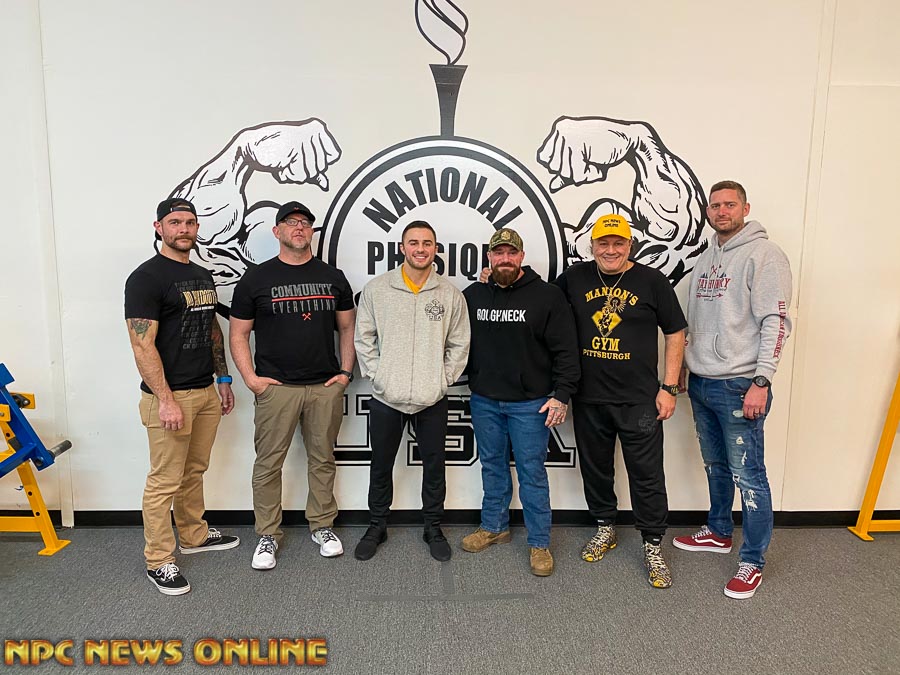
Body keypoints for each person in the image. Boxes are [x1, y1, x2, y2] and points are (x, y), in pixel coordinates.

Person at [673, 180, 792, 600]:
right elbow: (695, 320)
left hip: (741, 384)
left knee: (749, 476)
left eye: (729, 204)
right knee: (716, 465)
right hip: (703, 381)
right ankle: (719, 530)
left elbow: (777, 322)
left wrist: (762, 380)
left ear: (745, 208)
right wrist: (685, 365)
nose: (722, 211)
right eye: (715, 205)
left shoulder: (765, 255)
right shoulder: (707, 257)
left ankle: (752, 561)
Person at [555, 213, 686, 589]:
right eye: (603, 243)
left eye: (618, 243)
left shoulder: (651, 281)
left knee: (647, 474)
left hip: (639, 401)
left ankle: (653, 544)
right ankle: (605, 527)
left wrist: (669, 387)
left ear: (630, 245)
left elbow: (676, 332)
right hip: (590, 398)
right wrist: (494, 280)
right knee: (596, 469)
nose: (610, 250)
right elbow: (541, 305)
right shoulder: (573, 279)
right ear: (592, 245)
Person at [229, 201, 356, 570]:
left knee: (323, 459)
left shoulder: (333, 277)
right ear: (277, 231)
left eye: (305, 223)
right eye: (290, 222)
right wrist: (251, 380)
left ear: (311, 232)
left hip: (324, 386)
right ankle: (268, 534)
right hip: (276, 388)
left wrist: (345, 374)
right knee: (269, 464)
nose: (299, 227)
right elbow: (238, 334)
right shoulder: (256, 279)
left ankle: (322, 526)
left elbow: (347, 327)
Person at [125, 197, 239, 596]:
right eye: (175, 222)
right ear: (159, 227)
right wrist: (166, 399)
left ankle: (193, 534)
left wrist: (223, 378)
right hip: (169, 398)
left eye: (190, 222)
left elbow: (211, 329)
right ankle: (159, 560)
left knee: (194, 470)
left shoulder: (202, 275)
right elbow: (142, 345)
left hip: (205, 390)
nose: (184, 229)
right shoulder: (146, 278)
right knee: (164, 481)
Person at [461, 228, 579, 576]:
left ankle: (539, 542)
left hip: (531, 404)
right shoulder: (474, 295)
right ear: (489, 257)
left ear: (522, 257)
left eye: (512, 253)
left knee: (532, 473)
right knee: (491, 466)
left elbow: (566, 350)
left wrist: (562, 395)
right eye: (499, 253)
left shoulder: (547, 296)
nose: (505, 259)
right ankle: (494, 527)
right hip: (485, 400)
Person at [353, 220, 470, 562]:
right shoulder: (378, 289)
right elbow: (364, 337)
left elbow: (459, 343)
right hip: (386, 398)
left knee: (434, 466)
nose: (421, 249)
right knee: (381, 464)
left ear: (436, 249)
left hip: (431, 399)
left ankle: (433, 527)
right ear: (402, 248)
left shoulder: (449, 294)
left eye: (427, 243)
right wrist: (379, 377)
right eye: (414, 242)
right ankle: (377, 525)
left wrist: (442, 379)